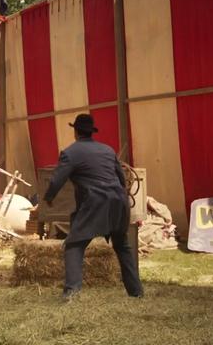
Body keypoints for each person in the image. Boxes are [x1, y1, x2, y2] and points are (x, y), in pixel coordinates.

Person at [43, 114, 143, 302]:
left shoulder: (70, 153)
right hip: (119, 202)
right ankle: (136, 292)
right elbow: (122, 178)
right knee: (122, 246)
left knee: (73, 245)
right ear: (91, 132)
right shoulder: (107, 149)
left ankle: (71, 293)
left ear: (76, 132)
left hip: (96, 202)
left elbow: (57, 179)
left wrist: (48, 198)